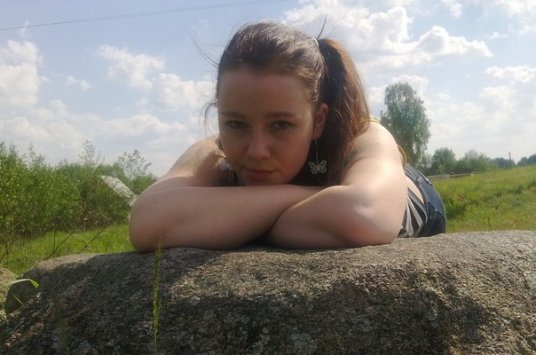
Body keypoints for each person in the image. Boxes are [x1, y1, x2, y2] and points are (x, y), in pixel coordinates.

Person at [129, 21, 446, 252]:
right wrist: (309, 196)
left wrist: (233, 222)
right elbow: (148, 221)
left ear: (318, 120)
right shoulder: (213, 151)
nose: (257, 150)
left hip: (411, 196)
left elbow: (363, 216)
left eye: (281, 125)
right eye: (236, 124)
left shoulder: (364, 135)